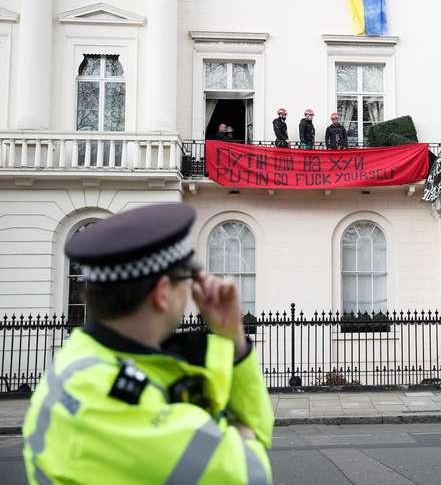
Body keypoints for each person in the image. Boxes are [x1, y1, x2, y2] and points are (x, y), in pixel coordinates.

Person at [23, 203, 274, 484]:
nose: (192, 290)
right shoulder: (120, 407)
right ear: (162, 293)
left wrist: (233, 339)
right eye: (188, 279)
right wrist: (235, 432)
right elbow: (253, 471)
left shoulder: (73, 362)